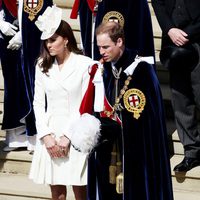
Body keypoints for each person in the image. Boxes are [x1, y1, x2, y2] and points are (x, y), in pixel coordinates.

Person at [84, 21, 174, 200]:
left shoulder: (142, 71)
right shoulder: (105, 71)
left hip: (137, 155)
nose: (101, 52)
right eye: (99, 47)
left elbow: (149, 120)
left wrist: (119, 126)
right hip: (109, 152)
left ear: (119, 42)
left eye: (106, 47)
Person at [29, 5, 99, 200]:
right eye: (46, 42)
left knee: (80, 190)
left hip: (76, 132)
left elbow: (85, 104)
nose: (49, 45)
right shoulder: (42, 65)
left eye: (53, 40)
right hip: (50, 132)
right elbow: (37, 104)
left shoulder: (86, 65)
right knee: (57, 193)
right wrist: (45, 135)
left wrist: (67, 136)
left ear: (66, 39)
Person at [152, 0, 200, 172]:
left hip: (197, 38)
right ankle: (192, 151)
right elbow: (158, 4)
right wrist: (170, 29)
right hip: (173, 42)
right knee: (181, 99)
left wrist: (188, 34)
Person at [0, 0, 34, 151]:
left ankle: (30, 134)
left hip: (28, 36)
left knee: (27, 83)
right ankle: (15, 135)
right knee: (11, 83)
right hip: (5, 34)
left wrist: (24, 33)